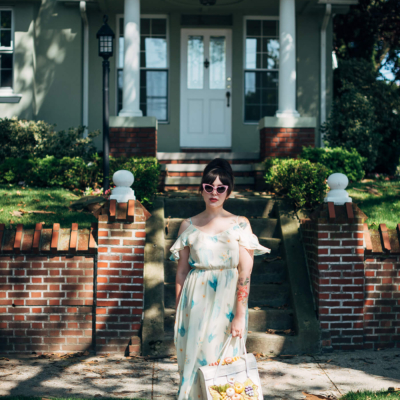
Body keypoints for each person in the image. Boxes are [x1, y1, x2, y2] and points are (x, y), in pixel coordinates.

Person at [169, 158, 271, 400]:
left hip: (227, 305)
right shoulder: (188, 226)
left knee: (224, 367)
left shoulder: (240, 224)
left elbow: (245, 274)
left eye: (220, 188)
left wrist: (240, 314)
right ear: (201, 189)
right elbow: (182, 271)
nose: (214, 192)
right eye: (208, 187)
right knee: (193, 362)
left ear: (228, 191)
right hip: (193, 305)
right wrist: (179, 309)